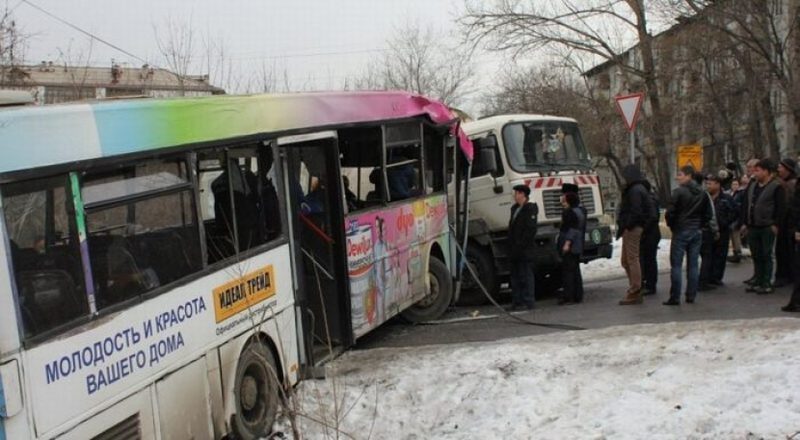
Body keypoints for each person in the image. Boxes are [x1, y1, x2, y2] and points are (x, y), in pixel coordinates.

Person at [664, 165, 710, 305]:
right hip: (696, 230)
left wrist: (673, 225)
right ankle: (691, 295)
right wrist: (699, 225)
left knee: (676, 265)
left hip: (681, 230)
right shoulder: (702, 193)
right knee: (693, 264)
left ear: (689, 176)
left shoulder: (678, 192)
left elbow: (670, 213)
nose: (678, 177)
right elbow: (707, 214)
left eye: (681, 174)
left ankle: (675, 296)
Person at [743, 158, 786, 294]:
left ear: (766, 172)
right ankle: (758, 279)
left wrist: (776, 224)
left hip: (767, 226)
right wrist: (745, 222)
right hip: (753, 225)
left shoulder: (776, 186)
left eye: (758, 170)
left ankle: (766, 282)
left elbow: (781, 208)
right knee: (756, 254)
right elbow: (747, 203)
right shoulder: (753, 185)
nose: (754, 173)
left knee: (766, 254)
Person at [617, 164, 653, 305]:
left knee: (631, 259)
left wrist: (628, 225)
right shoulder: (639, 189)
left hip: (632, 227)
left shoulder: (635, 190)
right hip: (633, 226)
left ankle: (635, 289)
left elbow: (636, 211)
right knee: (626, 260)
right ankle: (635, 288)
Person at [699, 172, 737, 290]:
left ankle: (716, 278)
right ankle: (707, 277)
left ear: (718, 184)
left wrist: (726, 222)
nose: (708, 186)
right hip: (708, 231)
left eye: (710, 184)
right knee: (708, 255)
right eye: (706, 184)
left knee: (720, 254)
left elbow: (734, 212)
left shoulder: (726, 198)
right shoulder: (704, 197)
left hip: (723, 230)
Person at [507, 184, 538, 310]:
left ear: (522, 195)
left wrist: (522, 244)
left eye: (516, 193)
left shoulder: (530, 209)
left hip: (525, 248)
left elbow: (530, 229)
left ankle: (528, 300)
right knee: (515, 276)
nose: (515, 196)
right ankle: (517, 300)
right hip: (514, 248)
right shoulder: (515, 208)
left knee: (526, 274)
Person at [557, 183, 586, 305]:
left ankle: (568, 295)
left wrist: (567, 243)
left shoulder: (569, 213)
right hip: (578, 244)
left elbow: (571, 229)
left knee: (568, 270)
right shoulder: (581, 211)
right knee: (575, 270)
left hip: (571, 244)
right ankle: (577, 294)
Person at [774, 157, 797, 287]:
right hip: (785, 223)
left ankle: (786, 275)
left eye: (781, 167)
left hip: (788, 223)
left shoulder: (790, 185)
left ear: (788, 169)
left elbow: (789, 205)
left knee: (786, 250)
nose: (778, 169)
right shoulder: (784, 183)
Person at [639, 179, 661, 296]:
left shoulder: (649, 200)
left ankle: (650, 285)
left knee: (649, 259)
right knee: (649, 259)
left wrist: (643, 229)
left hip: (649, 233)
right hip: (651, 233)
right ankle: (649, 283)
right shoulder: (651, 198)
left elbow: (652, 217)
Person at [728, 174, 749, 263]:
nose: (735, 186)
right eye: (733, 184)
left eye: (736, 184)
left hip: (738, 218)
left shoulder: (741, 193)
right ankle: (736, 252)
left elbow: (741, 207)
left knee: (736, 234)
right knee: (733, 235)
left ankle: (738, 252)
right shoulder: (730, 193)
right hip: (732, 218)